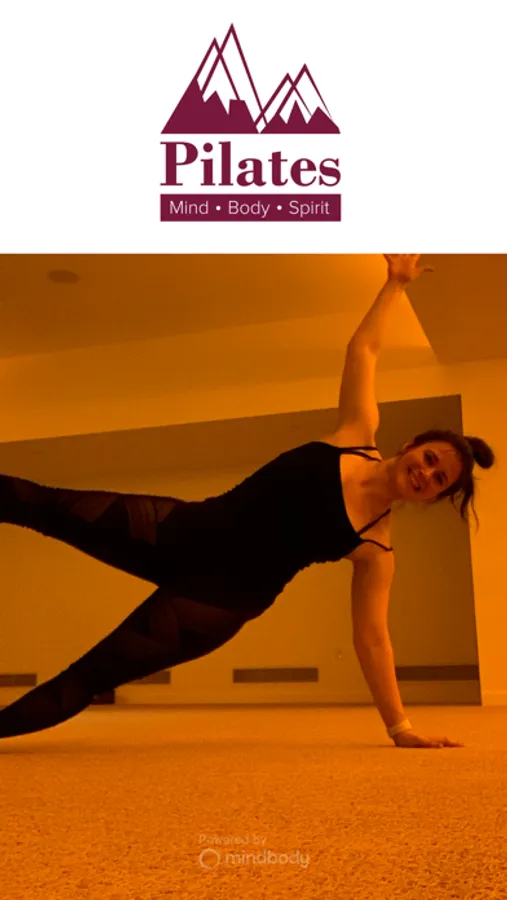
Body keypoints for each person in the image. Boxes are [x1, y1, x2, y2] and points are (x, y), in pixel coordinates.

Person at [0, 255, 494, 748]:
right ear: (411, 445)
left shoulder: (376, 547)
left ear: (434, 496)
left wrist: (401, 728)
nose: (426, 474)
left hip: (214, 604)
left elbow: (373, 639)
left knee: (91, 674)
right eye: (430, 459)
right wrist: (395, 285)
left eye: (438, 480)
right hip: (181, 530)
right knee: (43, 504)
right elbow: (363, 350)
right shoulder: (355, 433)